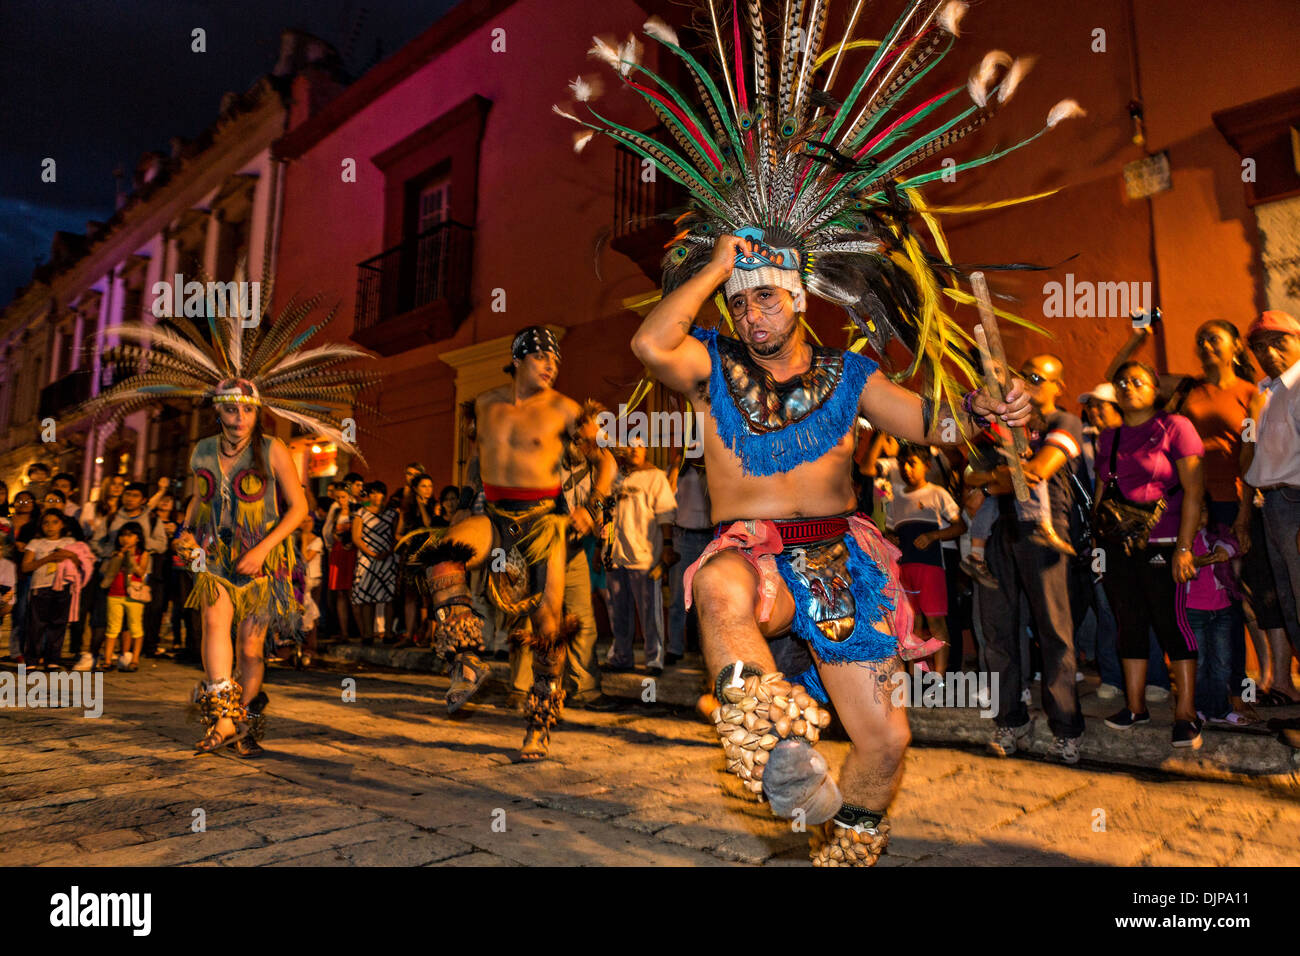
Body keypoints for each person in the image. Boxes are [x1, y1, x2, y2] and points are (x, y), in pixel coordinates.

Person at [85, 274, 374, 757]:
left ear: (257, 411)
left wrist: (263, 548)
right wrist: (185, 535)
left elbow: (300, 508)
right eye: (230, 410)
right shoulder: (199, 451)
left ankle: (246, 720)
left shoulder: (273, 448)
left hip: (267, 556)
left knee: (250, 648)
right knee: (213, 626)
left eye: (246, 410)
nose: (238, 418)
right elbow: (199, 504)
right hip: (215, 551)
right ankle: (222, 720)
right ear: (217, 410)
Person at [418, 326, 612, 761]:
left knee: (547, 629)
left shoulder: (566, 410)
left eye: (556, 361)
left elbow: (607, 463)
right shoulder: (483, 405)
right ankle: (467, 663)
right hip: (493, 515)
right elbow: (476, 458)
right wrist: (466, 502)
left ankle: (539, 723)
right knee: (442, 558)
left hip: (544, 522)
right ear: (519, 358)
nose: (551, 366)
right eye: (543, 357)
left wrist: (591, 508)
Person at [966, 353, 1089, 763]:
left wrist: (991, 480)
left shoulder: (1064, 423)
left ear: (1059, 386)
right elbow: (968, 481)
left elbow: (1034, 472)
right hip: (1001, 530)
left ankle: (1066, 729)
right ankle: (1010, 721)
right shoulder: (1003, 423)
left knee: (1054, 633)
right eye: (1025, 374)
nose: (1029, 382)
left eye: (1039, 377)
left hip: (1045, 534)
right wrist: (992, 480)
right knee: (999, 633)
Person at [1096, 360, 1206, 749]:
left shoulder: (1176, 428)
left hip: (1163, 543)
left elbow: (1193, 490)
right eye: (1121, 382)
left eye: (1137, 380)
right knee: (1129, 622)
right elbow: (1101, 494)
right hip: (1117, 546)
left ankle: (1186, 714)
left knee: (1170, 622)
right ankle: (1135, 706)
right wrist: (1097, 547)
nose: (1128, 386)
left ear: (1154, 387)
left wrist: (1184, 547)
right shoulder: (1109, 437)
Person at [1238, 311, 1300, 701]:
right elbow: (1250, 457)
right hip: (1271, 504)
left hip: (1296, 502)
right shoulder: (1264, 392)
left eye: (1280, 342)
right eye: (1261, 347)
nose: (1270, 353)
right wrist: (1245, 514)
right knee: (1290, 606)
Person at [885, 445, 965, 674]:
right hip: (905, 569)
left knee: (937, 623)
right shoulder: (895, 500)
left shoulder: (937, 493)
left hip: (931, 566)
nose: (906, 469)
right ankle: (916, 677)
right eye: (902, 463)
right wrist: (891, 538)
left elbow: (960, 526)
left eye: (912, 463)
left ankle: (940, 678)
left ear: (927, 465)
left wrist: (933, 535)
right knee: (913, 626)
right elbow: (890, 533)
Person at [604, 440, 677, 676]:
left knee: (650, 613)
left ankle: (654, 660)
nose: (634, 449)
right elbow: (607, 515)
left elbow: (666, 513)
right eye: (629, 445)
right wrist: (602, 549)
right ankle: (621, 657)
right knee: (618, 613)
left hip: (645, 558)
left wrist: (666, 546)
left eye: (639, 445)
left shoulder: (655, 477)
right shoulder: (615, 478)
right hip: (616, 557)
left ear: (646, 448)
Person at [20, 509, 93, 669]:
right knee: (36, 626)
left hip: (63, 587)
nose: (50, 526)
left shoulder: (70, 542)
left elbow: (80, 563)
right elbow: (25, 567)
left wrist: (70, 556)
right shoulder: (36, 543)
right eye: (46, 523)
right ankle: (32, 660)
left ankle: (52, 660)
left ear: (62, 524)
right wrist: (49, 558)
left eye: (55, 522)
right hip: (40, 588)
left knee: (58, 624)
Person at [667, 455, 711, 665]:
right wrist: (676, 466)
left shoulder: (713, 466)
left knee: (706, 596)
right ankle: (674, 648)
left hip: (709, 538)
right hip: (683, 537)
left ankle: (702, 649)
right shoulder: (678, 470)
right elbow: (667, 504)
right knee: (678, 595)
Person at [99, 521, 152, 671]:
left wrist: (129, 558)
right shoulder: (115, 552)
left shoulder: (143, 553)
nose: (125, 539)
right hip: (114, 593)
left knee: (136, 627)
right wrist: (117, 557)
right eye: (122, 535)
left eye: (130, 535)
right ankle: (107, 660)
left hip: (134, 595)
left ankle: (135, 659)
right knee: (112, 628)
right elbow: (106, 572)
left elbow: (141, 572)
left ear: (138, 538)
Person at [351, 480, 398, 644]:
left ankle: (389, 633)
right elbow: (356, 537)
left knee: (388, 596)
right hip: (366, 559)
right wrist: (372, 553)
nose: (376, 496)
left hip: (387, 558)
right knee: (366, 597)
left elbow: (396, 535)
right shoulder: (361, 512)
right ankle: (367, 634)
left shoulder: (392, 513)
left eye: (379, 492)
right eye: (372, 493)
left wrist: (388, 552)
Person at [323, 474, 361, 643]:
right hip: (338, 552)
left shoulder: (356, 510)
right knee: (340, 593)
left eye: (343, 497)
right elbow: (327, 531)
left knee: (352, 592)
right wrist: (334, 538)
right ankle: (343, 631)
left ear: (349, 496)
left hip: (351, 551)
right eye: (337, 497)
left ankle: (361, 631)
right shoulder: (336, 511)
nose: (340, 500)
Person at [4, 491, 37, 663]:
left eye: (28, 500)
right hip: (6, 570)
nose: (23, 503)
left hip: (26, 572)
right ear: (13, 502)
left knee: (22, 612)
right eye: (20, 500)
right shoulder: (6, 522)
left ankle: (18, 650)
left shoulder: (37, 524)